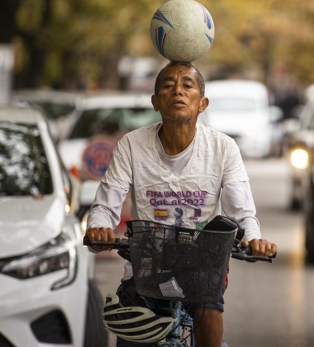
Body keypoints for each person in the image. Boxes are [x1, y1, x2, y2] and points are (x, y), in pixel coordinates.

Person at [85, 61, 278, 347]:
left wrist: (253, 238)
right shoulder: (131, 144)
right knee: (130, 329)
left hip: (202, 267)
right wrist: (98, 228)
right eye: (167, 86)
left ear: (202, 103)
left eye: (188, 86)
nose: (178, 92)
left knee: (207, 302)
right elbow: (105, 205)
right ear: (155, 102)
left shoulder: (223, 147)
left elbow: (243, 212)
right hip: (147, 265)